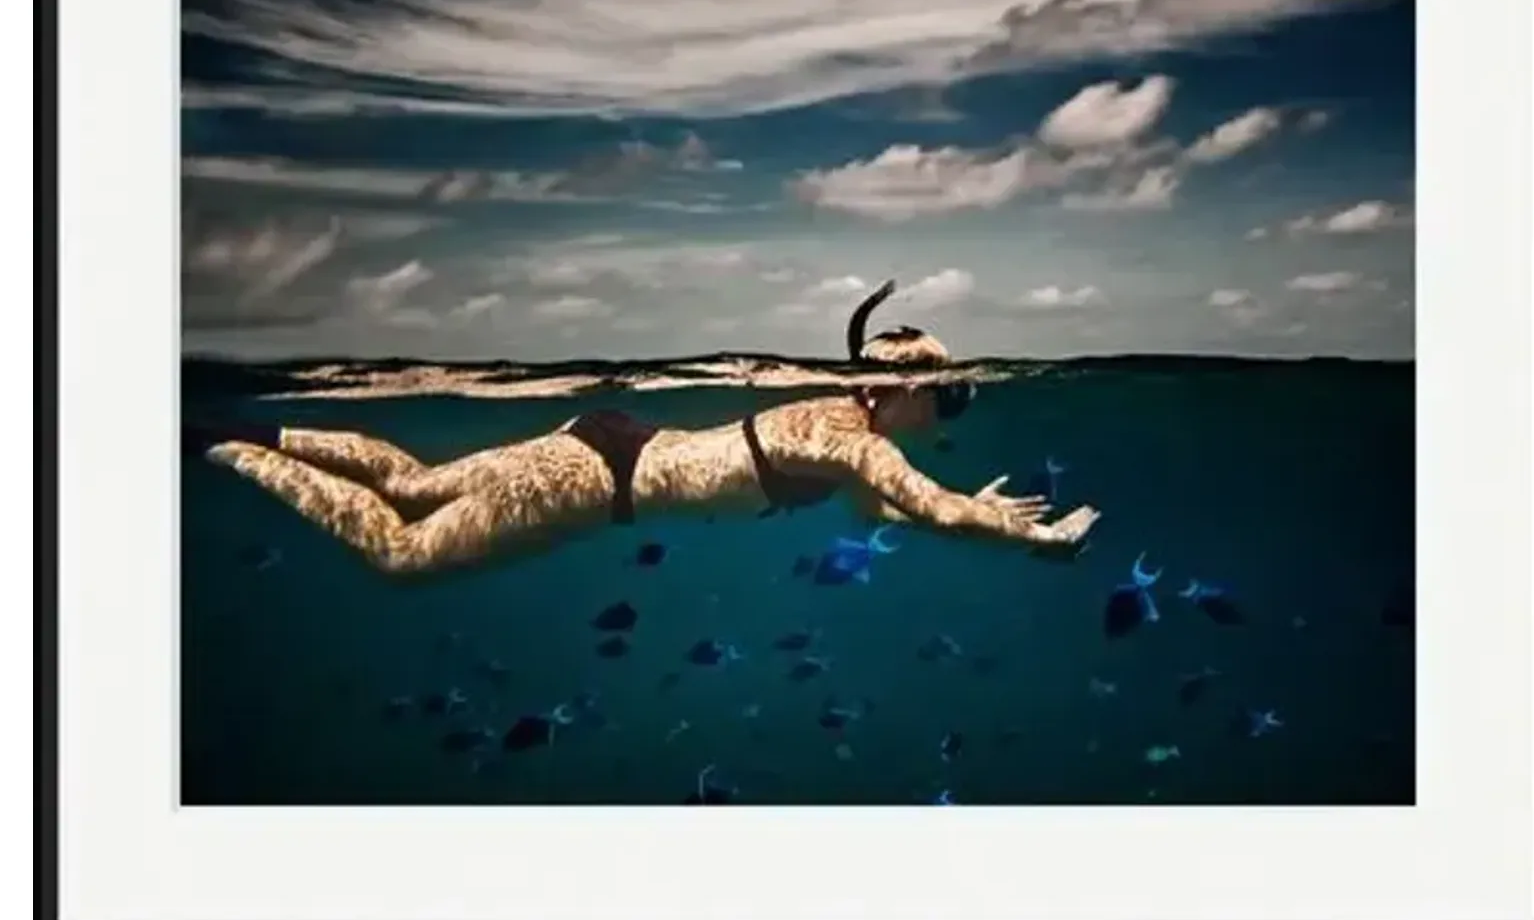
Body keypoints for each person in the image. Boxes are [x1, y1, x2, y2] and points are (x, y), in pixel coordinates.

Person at [190, 280, 1101, 577]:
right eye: (950, 394)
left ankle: (247, 433)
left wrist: (956, 510)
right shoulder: (850, 434)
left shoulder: (850, 438)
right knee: (400, 549)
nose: (952, 410)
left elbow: (888, 516)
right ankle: (227, 443)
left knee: (421, 482)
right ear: (893, 391)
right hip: (601, 479)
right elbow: (927, 509)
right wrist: (1018, 532)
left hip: (609, 444)